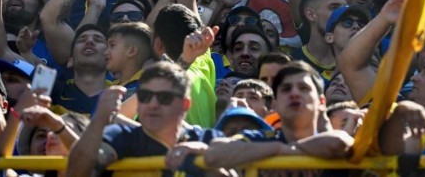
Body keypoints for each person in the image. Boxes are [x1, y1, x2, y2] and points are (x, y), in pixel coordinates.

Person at [66, 61, 226, 177]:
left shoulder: (207, 140)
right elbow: (76, 174)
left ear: (185, 104)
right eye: (145, 96)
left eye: (164, 97)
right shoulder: (121, 137)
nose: (153, 104)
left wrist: (208, 159)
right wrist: (99, 120)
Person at [205, 61, 354, 174]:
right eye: (286, 89)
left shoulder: (332, 138)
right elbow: (213, 153)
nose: (294, 93)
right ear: (276, 103)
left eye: (304, 88)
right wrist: (279, 148)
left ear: (322, 102)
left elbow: (340, 142)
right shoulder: (263, 139)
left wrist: (283, 152)